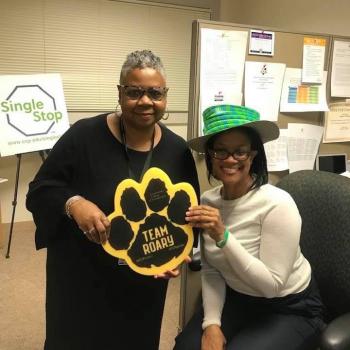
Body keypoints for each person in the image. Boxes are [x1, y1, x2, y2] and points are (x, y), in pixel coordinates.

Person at [26, 50, 199, 350]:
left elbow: (187, 216)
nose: (145, 101)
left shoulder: (177, 150)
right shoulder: (84, 136)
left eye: (155, 93)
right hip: (82, 275)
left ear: (165, 97)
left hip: (143, 278)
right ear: (120, 93)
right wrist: (75, 203)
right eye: (134, 92)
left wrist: (176, 256)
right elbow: (41, 189)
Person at [174, 104, 325, 350]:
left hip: (288, 306)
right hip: (239, 298)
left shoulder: (277, 204)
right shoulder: (208, 201)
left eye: (240, 152)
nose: (230, 159)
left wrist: (223, 235)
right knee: (187, 346)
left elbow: (271, 286)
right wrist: (211, 324)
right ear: (210, 156)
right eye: (220, 151)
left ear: (253, 155)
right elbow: (212, 269)